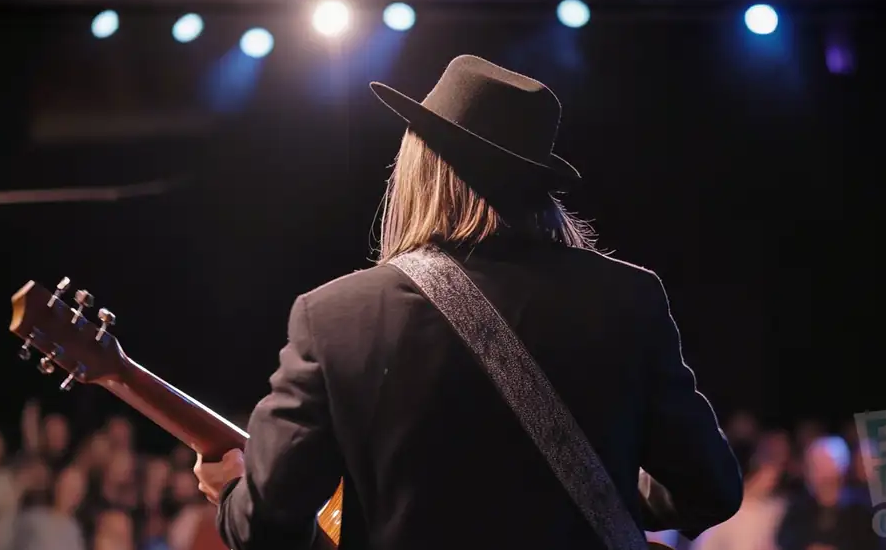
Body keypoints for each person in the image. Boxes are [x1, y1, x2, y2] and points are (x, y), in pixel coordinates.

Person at [193, 55, 743, 549]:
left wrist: (234, 491)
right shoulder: (629, 300)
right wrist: (603, 492)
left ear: (419, 167)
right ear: (537, 184)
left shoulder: (334, 317)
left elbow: (269, 527)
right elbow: (710, 490)